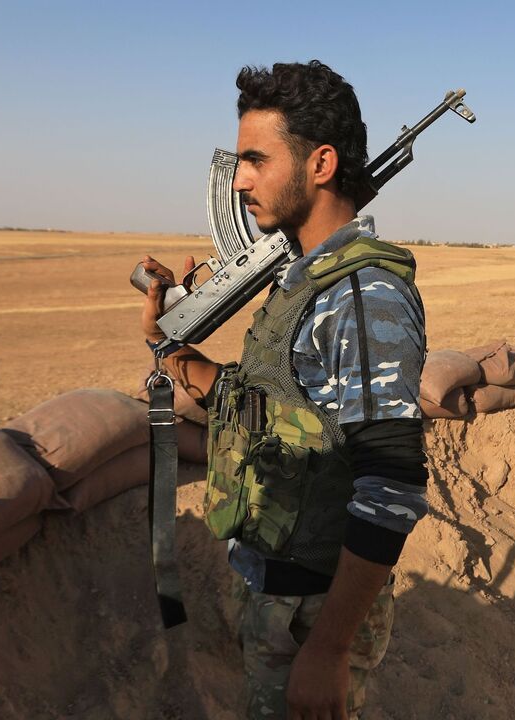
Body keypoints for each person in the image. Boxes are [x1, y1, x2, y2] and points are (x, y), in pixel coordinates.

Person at [139, 60, 428, 718]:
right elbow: (267, 412)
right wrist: (170, 350)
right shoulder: (308, 281)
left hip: (313, 609)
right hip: (279, 591)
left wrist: (327, 648)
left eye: (256, 160)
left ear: (320, 164)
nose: (239, 180)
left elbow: (393, 485)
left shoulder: (362, 293)